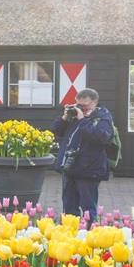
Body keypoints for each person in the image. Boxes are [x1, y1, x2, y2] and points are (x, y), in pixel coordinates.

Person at [50, 87, 115, 221]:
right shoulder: (74, 115)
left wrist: (82, 120)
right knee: (69, 207)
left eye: (85, 106)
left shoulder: (103, 117)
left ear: (95, 101)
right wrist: (64, 118)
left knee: (87, 208)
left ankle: (88, 234)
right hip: (70, 167)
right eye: (79, 105)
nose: (82, 109)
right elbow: (56, 131)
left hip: (89, 169)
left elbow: (101, 137)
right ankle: (70, 235)